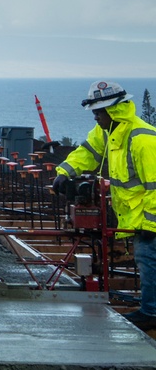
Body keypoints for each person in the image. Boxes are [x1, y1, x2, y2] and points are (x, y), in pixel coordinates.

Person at [53, 80, 156, 331]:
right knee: (145, 261)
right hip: (134, 216)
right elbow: (87, 152)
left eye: (99, 113)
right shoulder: (108, 132)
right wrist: (64, 172)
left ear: (113, 110)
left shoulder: (143, 139)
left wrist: (151, 223)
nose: (95, 118)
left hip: (148, 216)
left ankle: (152, 312)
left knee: (148, 259)